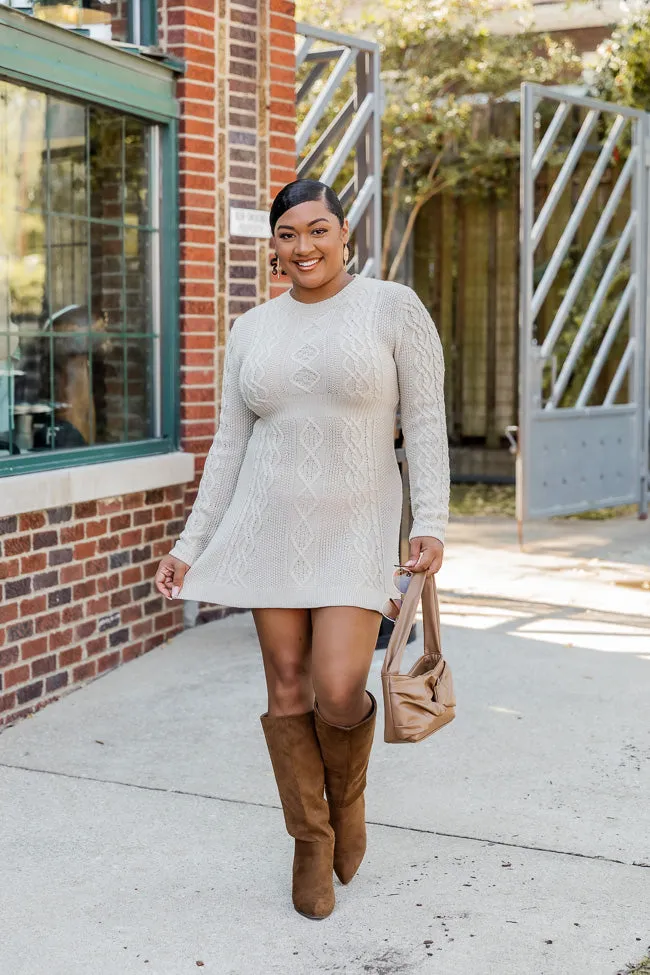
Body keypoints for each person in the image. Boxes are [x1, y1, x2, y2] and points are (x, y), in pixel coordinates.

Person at [154, 178, 450, 920]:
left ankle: (346, 803)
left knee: (339, 687)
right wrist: (191, 543)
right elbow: (229, 445)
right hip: (267, 526)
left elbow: (425, 421)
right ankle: (311, 840)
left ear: (344, 232)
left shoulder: (392, 307)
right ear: (274, 245)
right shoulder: (252, 328)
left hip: (358, 527)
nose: (303, 246)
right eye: (288, 234)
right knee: (286, 684)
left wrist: (433, 521)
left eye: (317, 230)